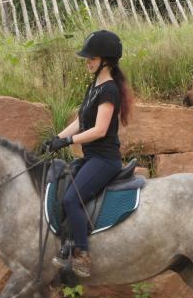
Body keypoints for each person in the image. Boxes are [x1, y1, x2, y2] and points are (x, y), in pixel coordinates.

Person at [44, 30, 134, 278]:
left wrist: (69, 141)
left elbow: (99, 130)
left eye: (91, 58)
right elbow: (82, 121)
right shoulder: (94, 86)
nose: (87, 61)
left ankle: (82, 255)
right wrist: (58, 139)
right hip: (91, 157)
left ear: (105, 60)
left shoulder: (109, 90)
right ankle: (67, 243)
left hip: (105, 160)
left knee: (72, 199)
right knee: (62, 184)